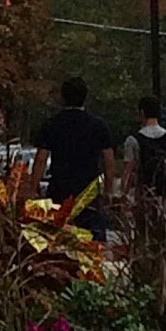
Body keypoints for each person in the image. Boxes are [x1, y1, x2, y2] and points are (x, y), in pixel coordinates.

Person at [31, 76, 116, 240]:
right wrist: (108, 190)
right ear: (85, 97)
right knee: (92, 241)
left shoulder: (52, 124)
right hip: (88, 193)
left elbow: (41, 158)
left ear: (63, 97)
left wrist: (33, 188)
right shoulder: (98, 126)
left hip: (59, 189)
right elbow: (109, 160)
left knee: (57, 238)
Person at [123, 96, 166, 199]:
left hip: (146, 197)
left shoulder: (133, 140)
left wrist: (123, 196)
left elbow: (128, 173)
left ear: (142, 113)